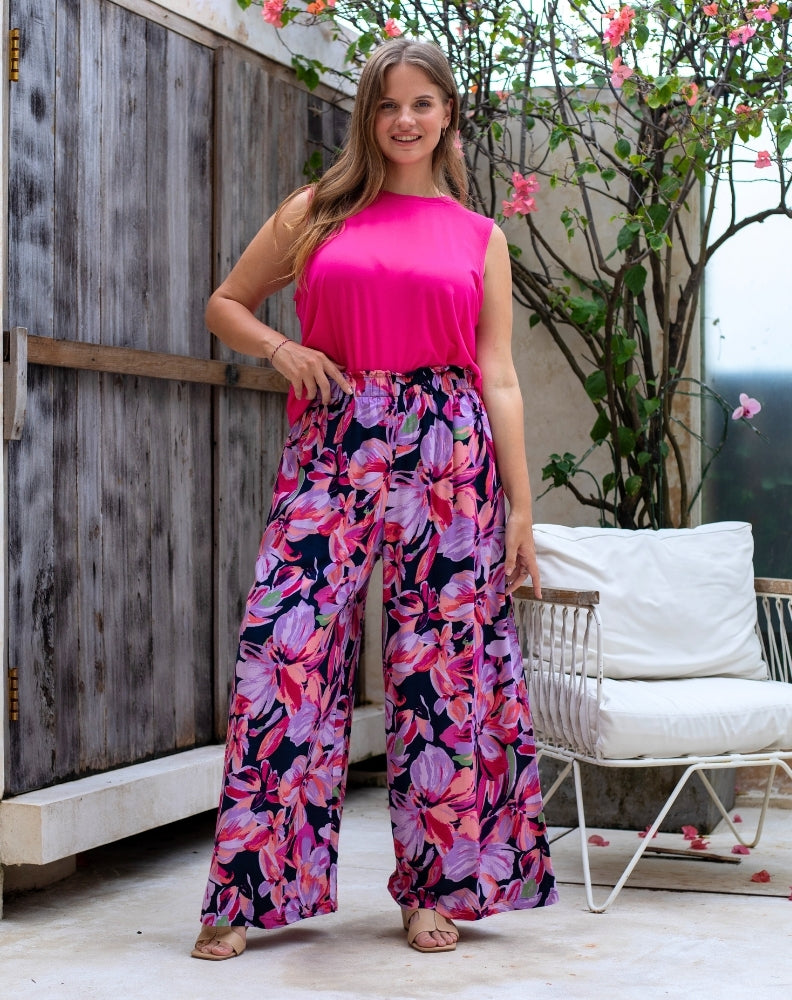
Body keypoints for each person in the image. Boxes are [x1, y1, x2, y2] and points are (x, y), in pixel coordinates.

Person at [191, 37, 557, 961]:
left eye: (422, 103)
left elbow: (500, 376)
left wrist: (520, 511)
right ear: (368, 115)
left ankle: (437, 888)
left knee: (443, 669)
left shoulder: (480, 237)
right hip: (335, 432)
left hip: (449, 449)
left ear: (447, 114)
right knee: (287, 649)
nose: (404, 120)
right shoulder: (316, 211)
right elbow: (226, 303)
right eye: (388, 104)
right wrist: (282, 350)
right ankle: (248, 889)